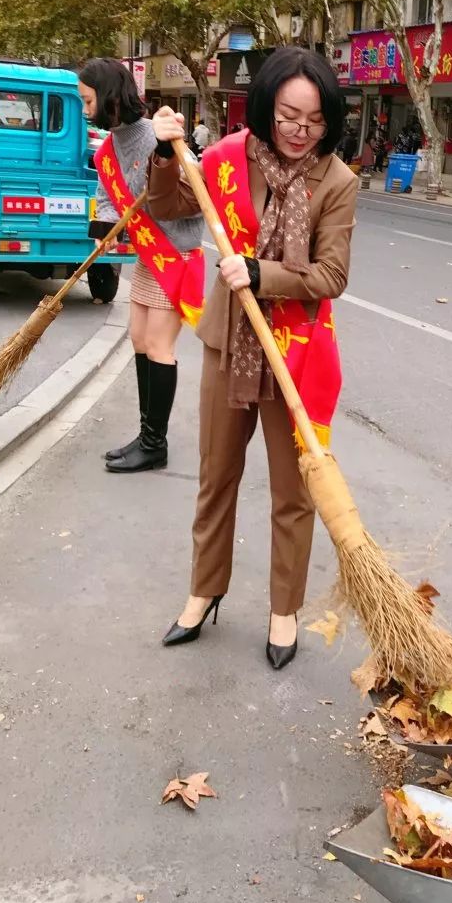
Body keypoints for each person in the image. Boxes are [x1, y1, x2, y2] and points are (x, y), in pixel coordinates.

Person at [148, 47, 358, 669]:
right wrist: (165, 153)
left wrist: (262, 274)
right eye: (289, 116)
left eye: (314, 121)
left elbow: (331, 275)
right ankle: (204, 590)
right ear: (267, 108)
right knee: (217, 476)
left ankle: (283, 609)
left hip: (295, 352)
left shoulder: (337, 182)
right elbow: (169, 206)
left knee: (292, 492)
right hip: (228, 342)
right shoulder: (226, 158)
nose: (299, 131)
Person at [79, 58, 204, 474]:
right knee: (137, 339)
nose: (84, 109)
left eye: (88, 100)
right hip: (150, 258)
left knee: (158, 345)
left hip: (177, 257)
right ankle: (146, 432)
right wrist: (103, 234)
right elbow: (107, 191)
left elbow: (193, 196)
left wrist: (165, 158)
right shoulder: (111, 144)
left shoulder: (158, 135)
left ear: (109, 98)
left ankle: (155, 444)